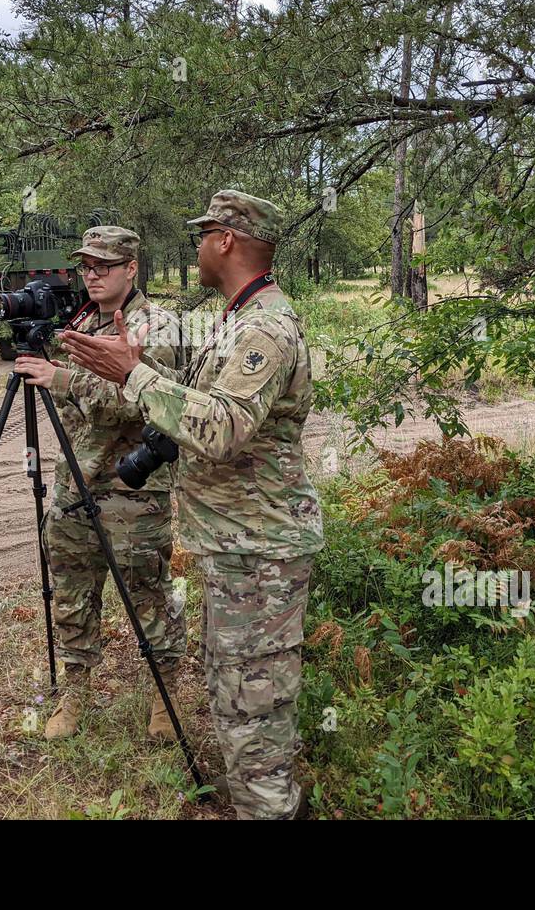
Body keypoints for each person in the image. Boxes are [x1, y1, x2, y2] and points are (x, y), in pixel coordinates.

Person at [59, 192, 322, 819]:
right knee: (234, 695)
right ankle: (265, 798)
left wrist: (135, 375)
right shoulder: (236, 316)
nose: (199, 246)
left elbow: (222, 427)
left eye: (205, 235)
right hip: (237, 547)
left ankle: (270, 807)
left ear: (227, 241)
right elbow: (195, 420)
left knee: (250, 703)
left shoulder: (263, 326)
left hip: (259, 550)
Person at [12, 225, 185, 740]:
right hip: (75, 482)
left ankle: (164, 695)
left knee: (148, 594)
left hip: (133, 489)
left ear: (131, 268)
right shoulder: (80, 322)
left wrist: (62, 379)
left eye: (103, 266)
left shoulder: (157, 324)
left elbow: (144, 398)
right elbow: (74, 399)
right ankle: (75, 693)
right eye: (86, 266)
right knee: (71, 591)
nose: (92, 275)